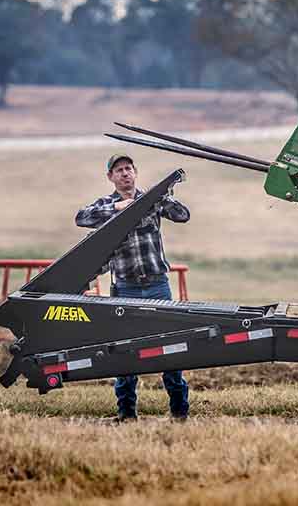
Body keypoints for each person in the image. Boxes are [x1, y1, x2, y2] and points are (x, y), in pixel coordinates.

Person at [75, 153, 191, 422]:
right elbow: (81, 218)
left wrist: (161, 197)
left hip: (157, 286)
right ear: (110, 177)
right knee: (124, 355)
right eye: (119, 170)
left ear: (135, 173)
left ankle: (179, 413)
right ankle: (126, 414)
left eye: (128, 168)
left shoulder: (150, 200)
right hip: (125, 288)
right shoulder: (105, 205)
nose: (125, 173)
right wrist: (117, 209)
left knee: (170, 349)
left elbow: (182, 215)